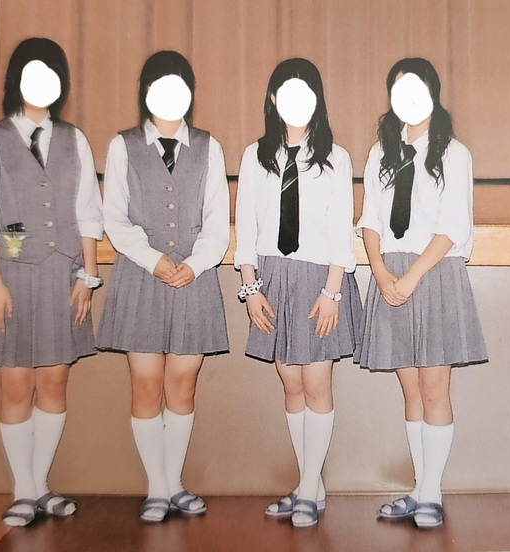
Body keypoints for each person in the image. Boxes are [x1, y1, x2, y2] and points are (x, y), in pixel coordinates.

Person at [0, 37, 103, 527]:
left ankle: (41, 486)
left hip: (64, 275)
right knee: (16, 384)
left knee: (55, 380)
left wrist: (88, 276)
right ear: (15, 81)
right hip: (12, 276)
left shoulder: (74, 139)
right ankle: (23, 491)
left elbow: (88, 212)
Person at [97, 50, 230, 523]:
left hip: (194, 279)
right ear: (146, 91)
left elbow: (218, 224)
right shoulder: (123, 145)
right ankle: (158, 487)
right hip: (141, 276)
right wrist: (154, 260)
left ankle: (174, 484)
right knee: (146, 384)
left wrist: (193, 264)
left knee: (182, 383)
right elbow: (114, 218)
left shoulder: (209, 147)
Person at [356, 57, 487, 529]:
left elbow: (454, 226)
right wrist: (379, 271)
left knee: (434, 388)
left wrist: (411, 277)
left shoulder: (454, 153)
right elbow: (370, 218)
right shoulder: (380, 152)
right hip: (390, 273)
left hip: (434, 274)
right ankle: (418, 488)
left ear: (433, 93)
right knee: (410, 388)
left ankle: (432, 493)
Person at [235, 58, 362, 529]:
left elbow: (341, 228)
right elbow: (246, 225)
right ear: (272, 99)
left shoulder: (336, 158)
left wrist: (333, 291)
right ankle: (311, 483)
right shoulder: (255, 156)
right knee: (290, 382)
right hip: (271, 278)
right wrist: (250, 288)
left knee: (317, 383)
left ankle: (307, 488)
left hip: (318, 279)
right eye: (286, 93)